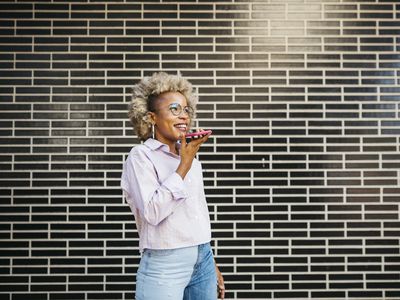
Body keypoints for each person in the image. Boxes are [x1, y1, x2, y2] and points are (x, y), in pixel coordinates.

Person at [121, 72, 225, 299]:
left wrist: (209, 261)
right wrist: (184, 165)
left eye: (186, 110)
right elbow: (152, 212)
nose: (184, 116)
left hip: (203, 258)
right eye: (174, 109)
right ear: (151, 117)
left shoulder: (189, 158)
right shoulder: (141, 157)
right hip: (165, 263)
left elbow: (194, 214)